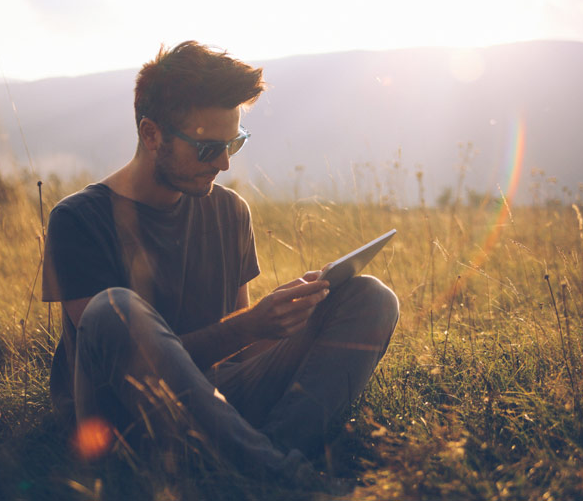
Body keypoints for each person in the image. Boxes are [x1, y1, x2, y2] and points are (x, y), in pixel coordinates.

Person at [41, 41, 398, 482]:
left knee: (371, 297)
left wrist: (284, 319)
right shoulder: (77, 219)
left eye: (235, 143)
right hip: (123, 421)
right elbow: (125, 369)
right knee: (113, 309)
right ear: (152, 135)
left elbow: (231, 351)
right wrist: (248, 326)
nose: (226, 164)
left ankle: (260, 463)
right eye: (209, 149)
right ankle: (277, 475)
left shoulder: (229, 212)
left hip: (219, 405)